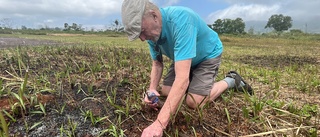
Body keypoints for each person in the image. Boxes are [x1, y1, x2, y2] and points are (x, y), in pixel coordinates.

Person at [121, 0, 253, 136]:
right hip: (184, 58)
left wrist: (159, 124)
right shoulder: (152, 34)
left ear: (154, 16)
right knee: (166, 91)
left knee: (194, 101)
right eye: (138, 35)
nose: (142, 38)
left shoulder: (181, 20)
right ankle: (193, 78)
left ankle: (231, 80)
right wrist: (152, 89)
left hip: (207, 55)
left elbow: (182, 79)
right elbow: (157, 63)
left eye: (142, 31)